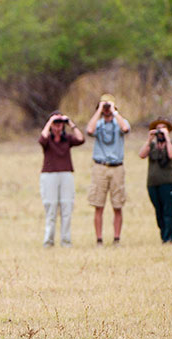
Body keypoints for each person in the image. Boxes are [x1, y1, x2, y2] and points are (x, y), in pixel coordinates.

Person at [86, 93, 131, 246]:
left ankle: (116, 239)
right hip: (100, 166)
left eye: (108, 106)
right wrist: (99, 111)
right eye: (104, 106)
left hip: (117, 166)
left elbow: (125, 128)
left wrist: (114, 112)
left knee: (117, 205)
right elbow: (89, 130)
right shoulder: (98, 123)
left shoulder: (120, 122)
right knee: (98, 205)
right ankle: (99, 239)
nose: (106, 109)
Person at [38, 110, 85, 247]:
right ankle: (48, 241)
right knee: (51, 208)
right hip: (49, 175)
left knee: (67, 207)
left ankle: (66, 241)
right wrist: (50, 122)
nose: (58, 127)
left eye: (60, 124)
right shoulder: (48, 139)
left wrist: (70, 122)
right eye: (55, 124)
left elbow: (81, 139)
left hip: (66, 175)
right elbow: (41, 140)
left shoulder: (68, 139)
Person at [138, 117, 172, 243]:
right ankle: (164, 236)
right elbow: (141, 155)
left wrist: (167, 138)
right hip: (153, 183)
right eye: (158, 129)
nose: (160, 132)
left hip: (169, 182)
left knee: (170, 211)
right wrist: (150, 139)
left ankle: (171, 238)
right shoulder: (152, 145)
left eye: (163, 128)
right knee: (159, 211)